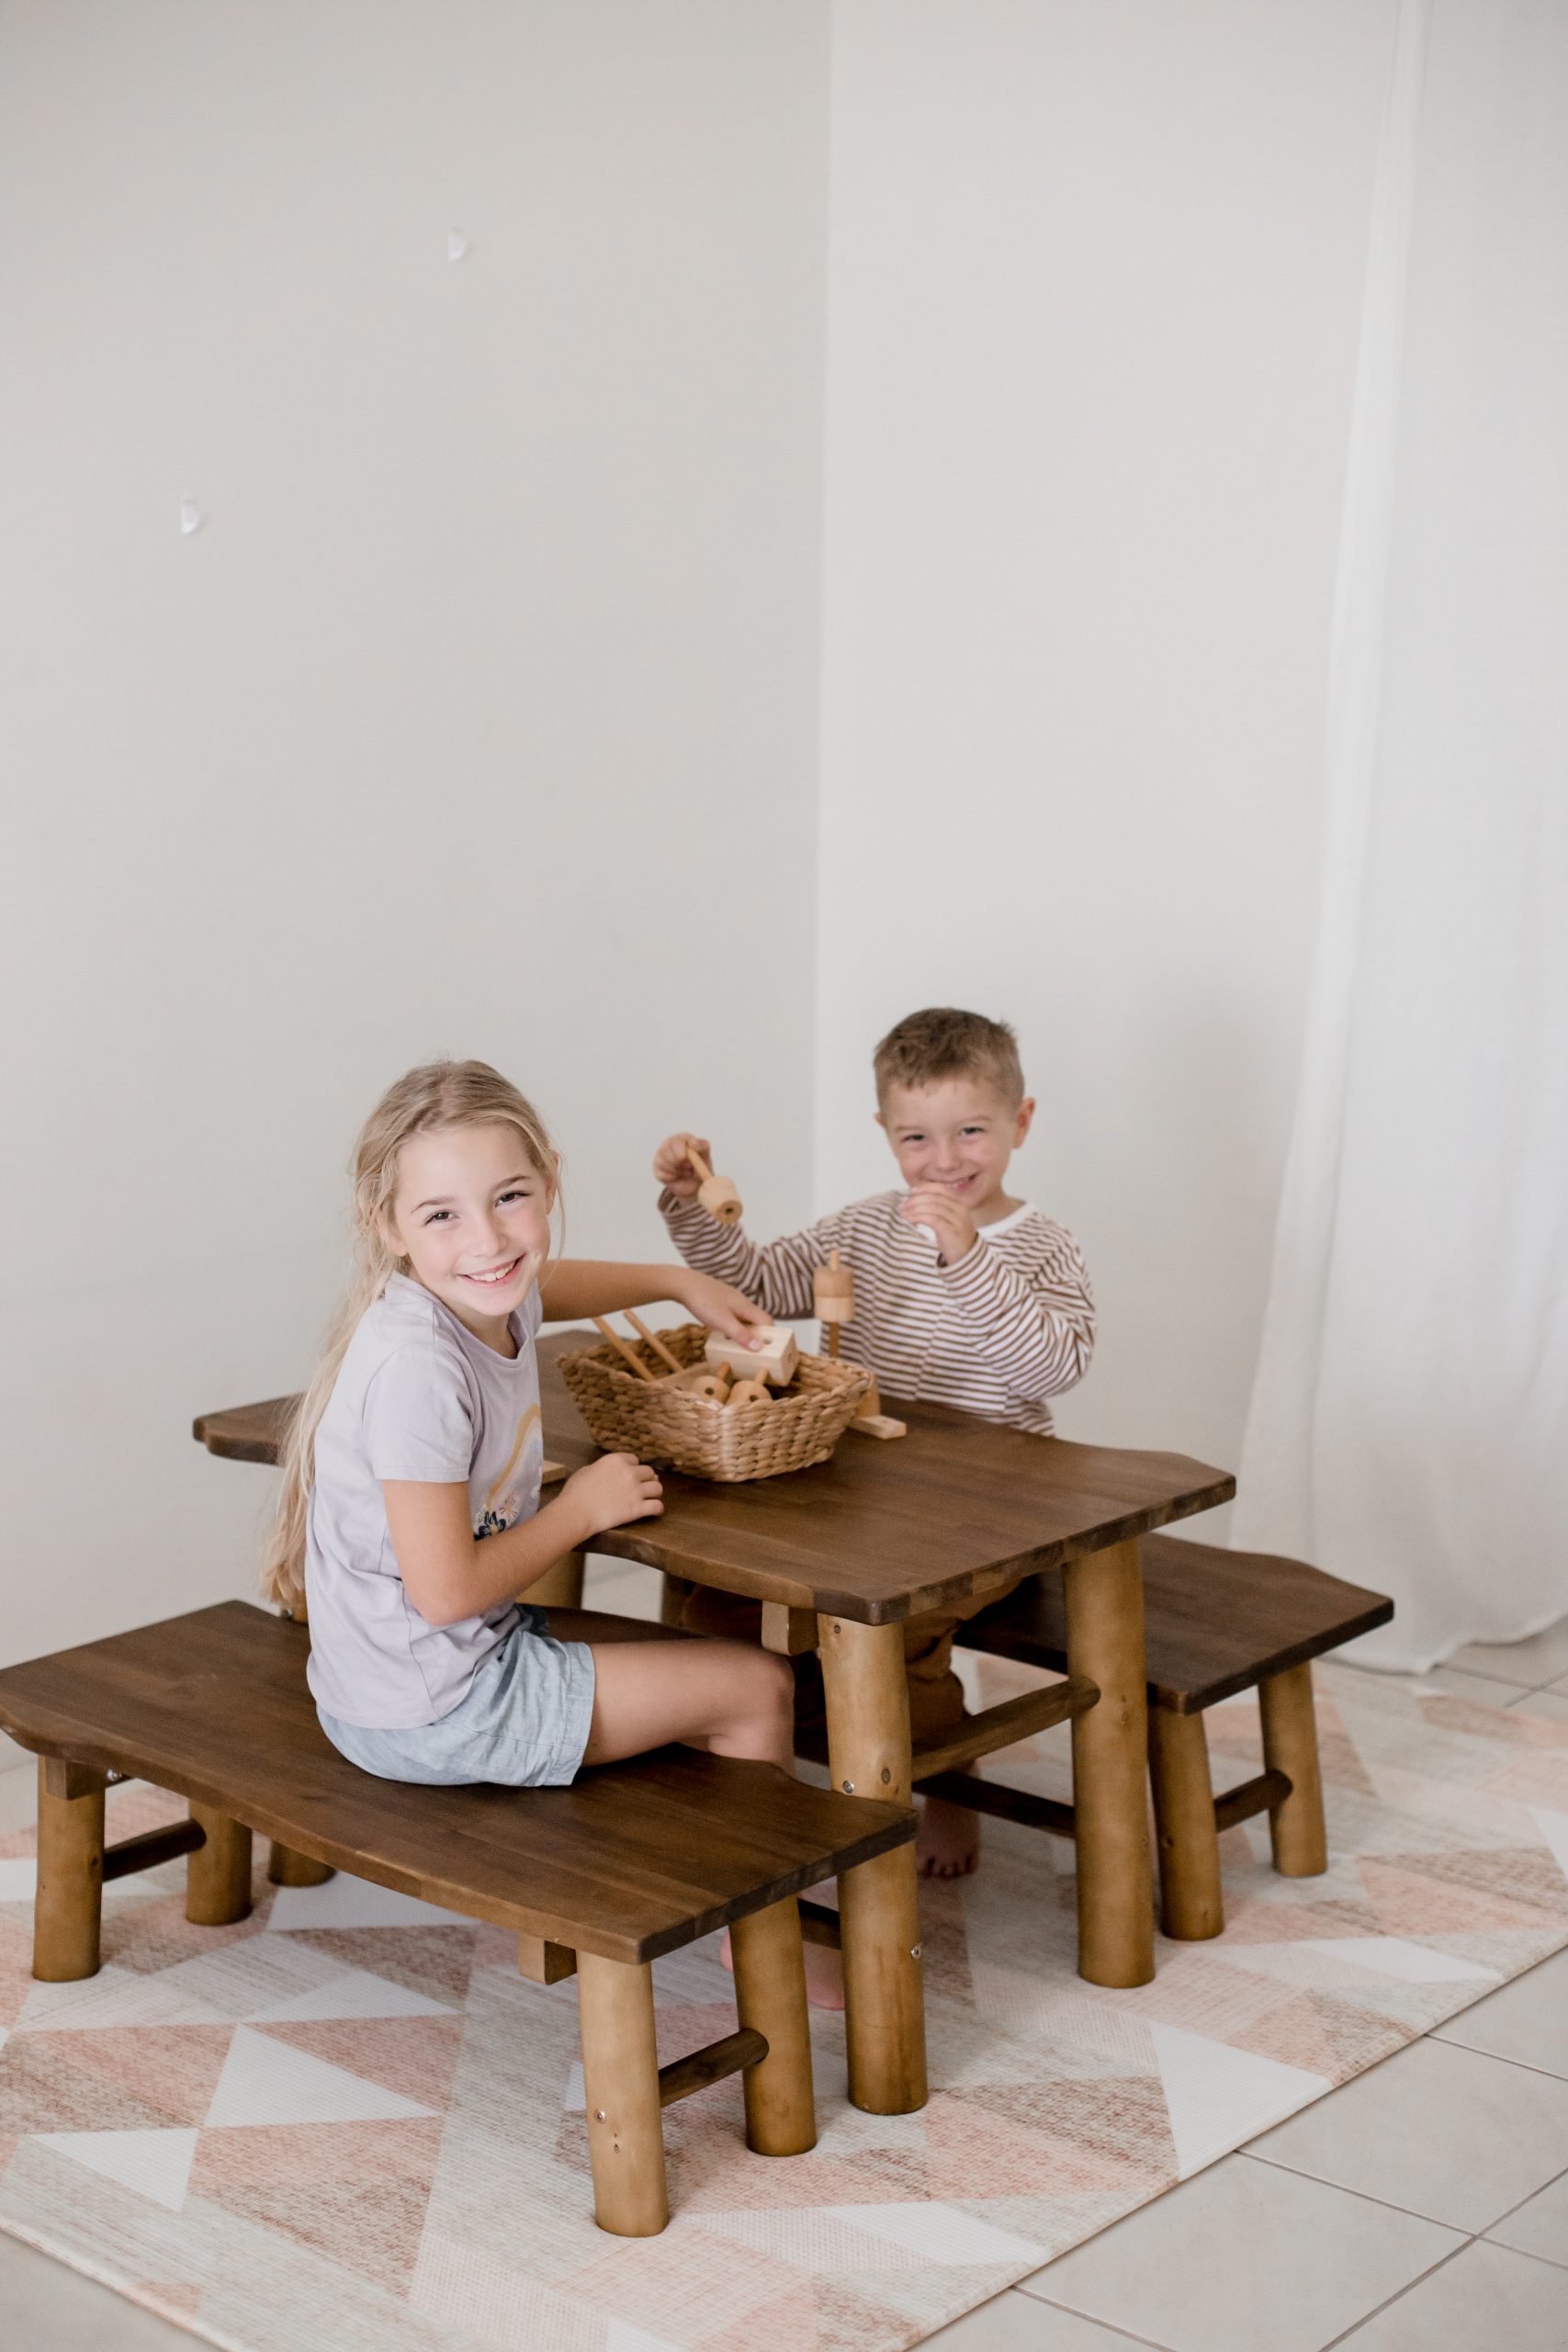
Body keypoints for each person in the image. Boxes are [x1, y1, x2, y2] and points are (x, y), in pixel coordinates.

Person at [264, 1057, 844, 2003]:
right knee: (756, 1685)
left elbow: (545, 1284)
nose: (488, 1239)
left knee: (689, 1651)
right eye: (442, 1214)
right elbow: (446, 1592)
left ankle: (696, 1864)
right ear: (388, 1227)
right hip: (429, 1707)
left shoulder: (475, 1290)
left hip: (413, 1669)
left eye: (510, 1198)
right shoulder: (417, 1370)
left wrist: (675, 1280)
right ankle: (763, 1952)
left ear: (550, 1183)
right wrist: (580, 1512)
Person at [653, 1006, 1095, 1878]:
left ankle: (945, 1767)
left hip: (994, 1511)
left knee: (895, 1634)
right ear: (885, 1135)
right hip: (864, 1493)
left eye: (971, 1131)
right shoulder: (862, 1228)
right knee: (721, 1608)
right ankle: (778, 1755)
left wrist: (971, 1262)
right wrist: (687, 1203)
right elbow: (755, 1282)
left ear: (1021, 1122)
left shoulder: (1041, 1246)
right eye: (916, 1138)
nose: (945, 1160)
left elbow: (1051, 1368)